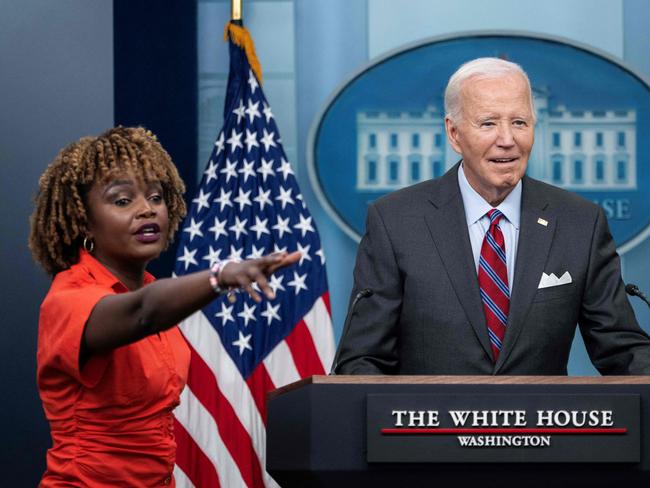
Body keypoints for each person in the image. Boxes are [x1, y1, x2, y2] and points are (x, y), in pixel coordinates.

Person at [333, 57, 650, 375]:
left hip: (541, 423)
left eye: (519, 123)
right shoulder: (395, 222)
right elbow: (362, 360)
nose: (508, 139)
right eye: (488, 124)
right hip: (427, 422)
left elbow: (623, 350)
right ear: (454, 134)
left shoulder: (580, 223)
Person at [29, 126, 299, 486]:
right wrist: (221, 277)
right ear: (84, 223)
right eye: (123, 201)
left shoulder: (157, 292)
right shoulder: (69, 298)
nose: (146, 210)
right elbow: (143, 313)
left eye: (156, 198)